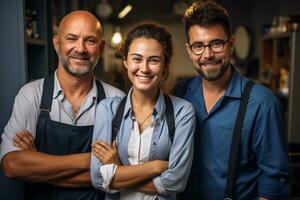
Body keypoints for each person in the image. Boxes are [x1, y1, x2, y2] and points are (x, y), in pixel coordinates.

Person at [0, 10, 124, 200]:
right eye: (72, 38)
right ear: (57, 43)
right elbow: (12, 166)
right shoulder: (31, 95)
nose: (80, 48)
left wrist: (39, 164)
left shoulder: (116, 100)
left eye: (90, 40)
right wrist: (93, 160)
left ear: (101, 47)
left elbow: (122, 173)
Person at [173, 1, 291, 199]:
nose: (207, 54)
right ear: (189, 50)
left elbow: (274, 180)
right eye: (198, 46)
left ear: (232, 44)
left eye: (216, 44)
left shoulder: (263, 104)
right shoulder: (180, 92)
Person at [90, 22, 195, 200]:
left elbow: (176, 182)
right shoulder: (107, 110)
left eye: (153, 60)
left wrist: (118, 171)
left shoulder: (182, 112)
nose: (144, 68)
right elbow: (98, 178)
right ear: (125, 61)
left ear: (165, 64)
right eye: (137, 59)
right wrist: (155, 167)